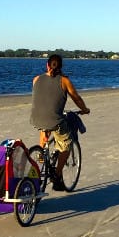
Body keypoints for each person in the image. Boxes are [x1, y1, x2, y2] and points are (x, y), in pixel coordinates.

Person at [30, 54, 90, 191]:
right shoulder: (64, 81)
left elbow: (44, 96)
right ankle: (57, 175)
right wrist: (85, 109)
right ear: (61, 67)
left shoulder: (36, 79)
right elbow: (77, 98)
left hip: (35, 118)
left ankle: (41, 154)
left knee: (44, 128)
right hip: (54, 120)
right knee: (66, 144)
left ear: (47, 64)